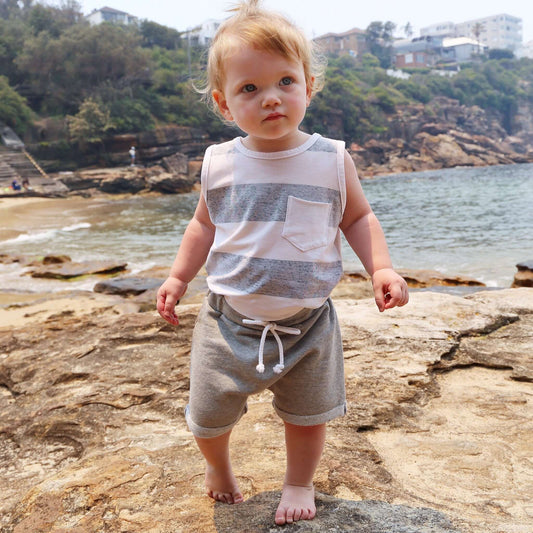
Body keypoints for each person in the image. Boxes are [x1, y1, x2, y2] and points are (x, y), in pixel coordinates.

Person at [157, 0, 408, 526]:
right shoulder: (221, 163)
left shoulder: (330, 159)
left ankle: (298, 481)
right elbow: (203, 225)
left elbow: (358, 218)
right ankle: (219, 469)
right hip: (227, 321)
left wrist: (380, 268)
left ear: (309, 87)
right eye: (250, 89)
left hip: (309, 324)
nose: (271, 98)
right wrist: (179, 277)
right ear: (226, 105)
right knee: (206, 417)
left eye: (285, 82)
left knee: (309, 415)